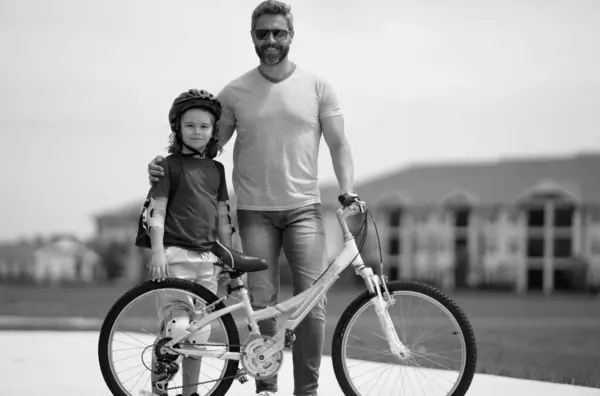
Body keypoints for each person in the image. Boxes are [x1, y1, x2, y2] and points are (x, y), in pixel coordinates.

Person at [147, 2, 356, 395]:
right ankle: (266, 388)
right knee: (262, 304)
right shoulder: (235, 93)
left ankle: (306, 391)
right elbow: (205, 149)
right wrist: (163, 167)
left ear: (291, 35)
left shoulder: (318, 87)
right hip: (255, 213)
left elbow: (339, 143)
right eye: (263, 34)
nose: (271, 40)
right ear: (253, 38)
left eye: (279, 32)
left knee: (312, 303)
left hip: (305, 210)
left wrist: (348, 191)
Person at [146, 88, 233, 396]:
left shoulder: (217, 170)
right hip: (174, 256)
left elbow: (223, 218)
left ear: (213, 133)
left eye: (204, 127)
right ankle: (159, 389)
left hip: (207, 260)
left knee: (200, 333)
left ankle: (190, 393)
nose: (197, 132)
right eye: (191, 125)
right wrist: (157, 251)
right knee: (177, 327)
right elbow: (157, 210)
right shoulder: (168, 167)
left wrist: (229, 257)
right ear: (178, 128)